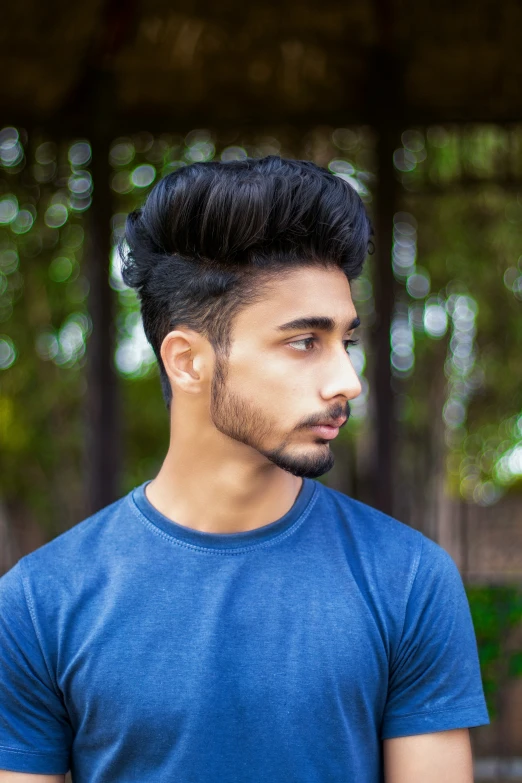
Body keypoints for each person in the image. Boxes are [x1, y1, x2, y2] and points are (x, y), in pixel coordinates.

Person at [0, 156, 488, 783]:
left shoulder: (409, 581)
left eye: (346, 340)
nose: (349, 380)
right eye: (304, 341)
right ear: (188, 361)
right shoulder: (40, 604)